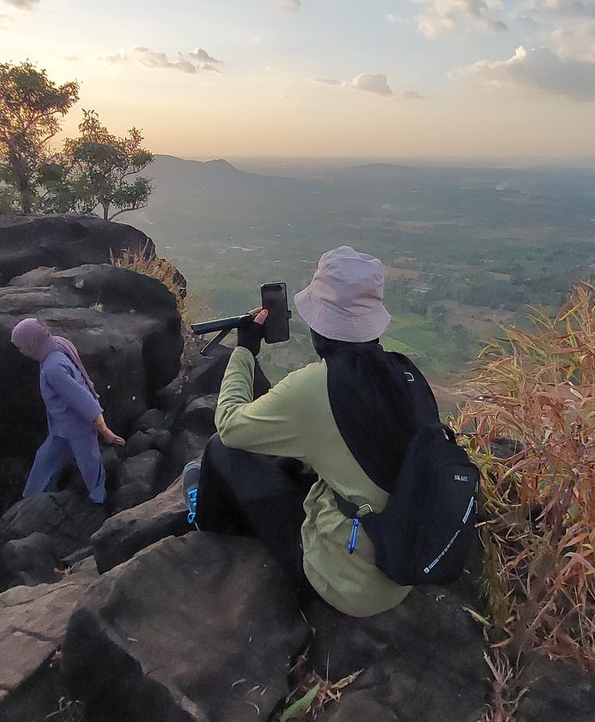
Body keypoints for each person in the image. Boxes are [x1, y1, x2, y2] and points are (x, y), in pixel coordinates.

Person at [183, 246, 432, 617]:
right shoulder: (405, 373)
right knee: (296, 463)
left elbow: (231, 425)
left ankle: (208, 527)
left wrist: (245, 352)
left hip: (349, 584)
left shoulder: (316, 386)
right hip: (405, 565)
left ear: (320, 323)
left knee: (220, 450)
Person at [11, 317, 126, 504]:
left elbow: (82, 400)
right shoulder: (58, 343)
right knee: (45, 458)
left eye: (21, 346)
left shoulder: (53, 369)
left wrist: (104, 430)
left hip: (78, 425)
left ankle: (100, 500)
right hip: (61, 424)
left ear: (33, 344)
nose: (21, 351)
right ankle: (32, 498)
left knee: (89, 464)